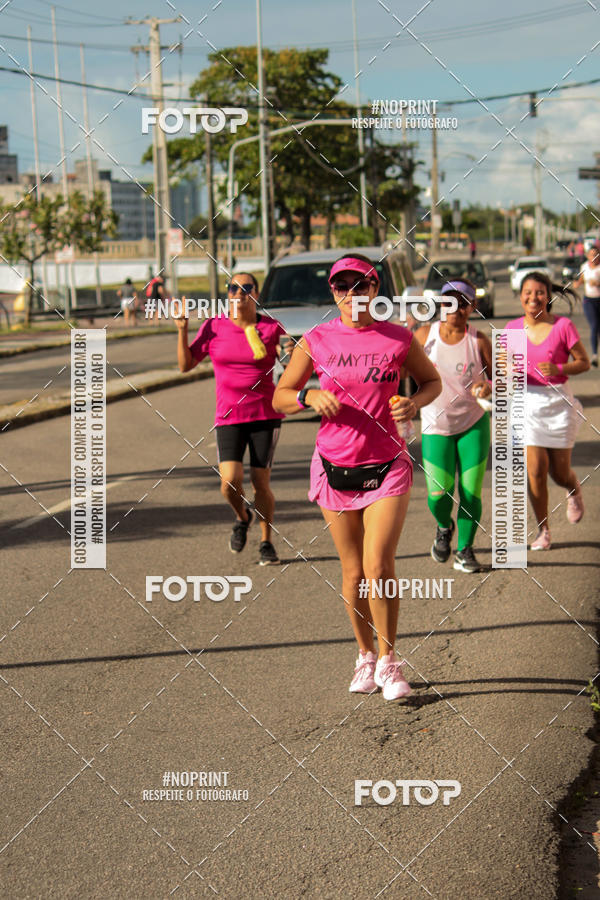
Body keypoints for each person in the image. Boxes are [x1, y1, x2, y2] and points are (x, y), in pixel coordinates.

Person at [272, 254, 441, 700]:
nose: (351, 293)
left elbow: (432, 382)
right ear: (333, 292)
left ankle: (388, 661)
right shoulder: (317, 339)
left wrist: (414, 403)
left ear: (374, 289)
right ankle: (364, 655)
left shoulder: (398, 337)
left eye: (360, 284)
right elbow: (280, 396)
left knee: (378, 564)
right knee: (352, 572)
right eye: (341, 286)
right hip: (334, 466)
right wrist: (308, 398)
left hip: (387, 464)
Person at [175, 273, 288, 565]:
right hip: (229, 416)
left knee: (260, 483)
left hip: (265, 414)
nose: (238, 294)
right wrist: (182, 330)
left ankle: (266, 542)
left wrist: (288, 355)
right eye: (232, 288)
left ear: (256, 294)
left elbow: (290, 368)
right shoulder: (214, 326)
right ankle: (242, 516)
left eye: (245, 288)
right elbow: (186, 365)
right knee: (229, 482)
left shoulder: (272, 327)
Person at [505, 272, 590, 550]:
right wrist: (504, 373)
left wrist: (559, 368)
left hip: (558, 404)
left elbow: (584, 362)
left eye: (539, 292)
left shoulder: (563, 326)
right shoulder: (512, 329)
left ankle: (573, 488)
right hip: (526, 404)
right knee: (536, 470)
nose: (533, 298)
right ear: (520, 296)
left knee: (559, 473)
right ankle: (544, 531)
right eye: (528, 293)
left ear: (548, 296)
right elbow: (503, 367)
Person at [414, 279, 492, 574]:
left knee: (470, 493)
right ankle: (444, 526)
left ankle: (465, 550)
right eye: (449, 301)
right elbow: (402, 368)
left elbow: (499, 378)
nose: (455, 308)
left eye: (463, 303)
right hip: (436, 427)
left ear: (472, 307)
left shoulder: (478, 340)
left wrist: (488, 386)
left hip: (473, 425)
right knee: (439, 496)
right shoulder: (425, 335)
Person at [573, 242, 600, 367]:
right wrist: (577, 283)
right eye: (591, 255)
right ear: (588, 256)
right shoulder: (584, 266)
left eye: (596, 255)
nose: (594, 257)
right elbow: (582, 279)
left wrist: (598, 284)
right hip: (589, 300)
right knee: (594, 325)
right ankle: (594, 355)